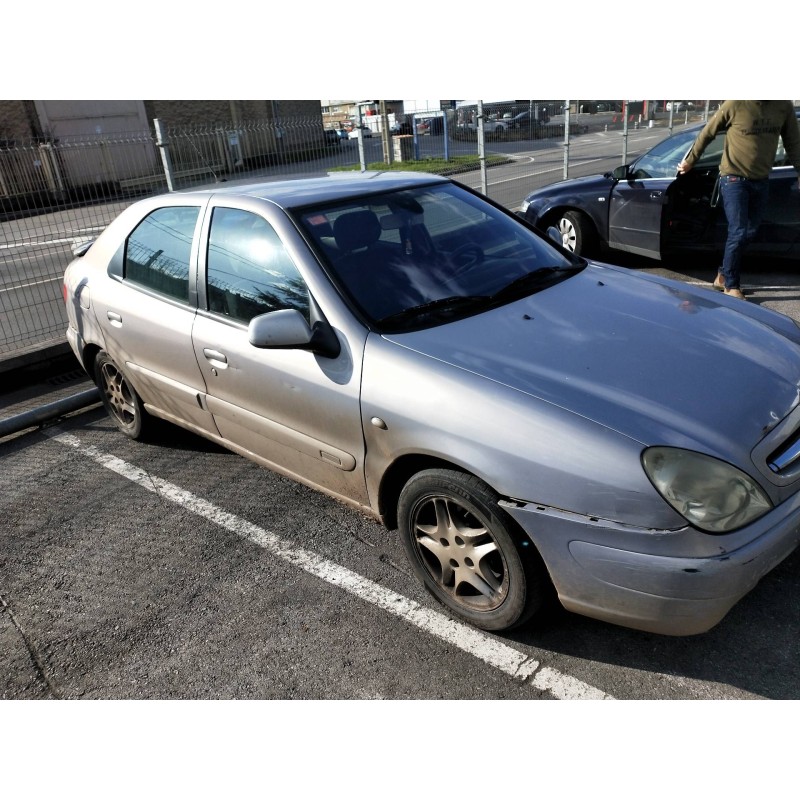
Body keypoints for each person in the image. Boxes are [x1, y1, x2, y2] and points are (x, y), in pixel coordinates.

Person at [677, 100, 800, 301]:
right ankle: (731, 285)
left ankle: (723, 275)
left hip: (761, 179)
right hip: (733, 178)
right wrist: (691, 161)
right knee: (739, 230)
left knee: (750, 230)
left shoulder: (782, 106)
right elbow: (708, 133)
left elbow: (792, 140)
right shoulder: (735, 103)